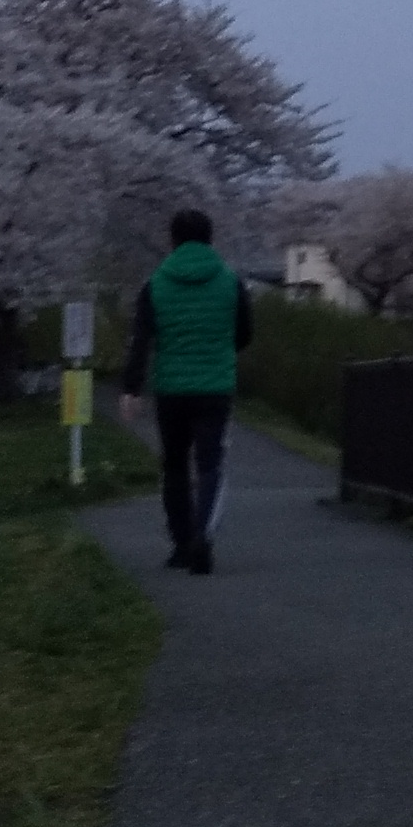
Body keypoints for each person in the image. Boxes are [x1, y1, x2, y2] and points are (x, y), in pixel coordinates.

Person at [118, 208, 250, 574]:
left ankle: (180, 544)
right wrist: (220, 349)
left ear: (172, 240)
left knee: (174, 465)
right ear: (210, 238)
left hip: (171, 388)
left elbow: (141, 339)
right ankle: (203, 537)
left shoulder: (156, 283)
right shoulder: (231, 281)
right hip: (215, 387)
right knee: (210, 464)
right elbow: (245, 333)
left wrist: (131, 388)